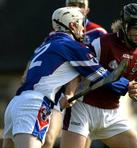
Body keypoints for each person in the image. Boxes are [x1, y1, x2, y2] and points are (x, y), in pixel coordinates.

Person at [2, 7, 129, 148]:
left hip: (16, 104)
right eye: (81, 24)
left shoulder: (46, 44)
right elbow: (104, 77)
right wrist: (127, 86)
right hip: (34, 105)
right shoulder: (72, 46)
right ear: (73, 25)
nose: (83, 29)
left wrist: (66, 94)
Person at [60, 3, 137, 148]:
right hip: (83, 108)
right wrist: (69, 92)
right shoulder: (102, 43)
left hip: (112, 113)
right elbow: (77, 67)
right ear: (125, 27)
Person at [44, 1, 108, 147]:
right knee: (48, 138)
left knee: (83, 143)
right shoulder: (57, 33)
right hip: (60, 92)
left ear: (87, 10)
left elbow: (102, 66)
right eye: (72, 3)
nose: (76, 7)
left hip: (86, 95)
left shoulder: (98, 32)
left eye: (80, 4)